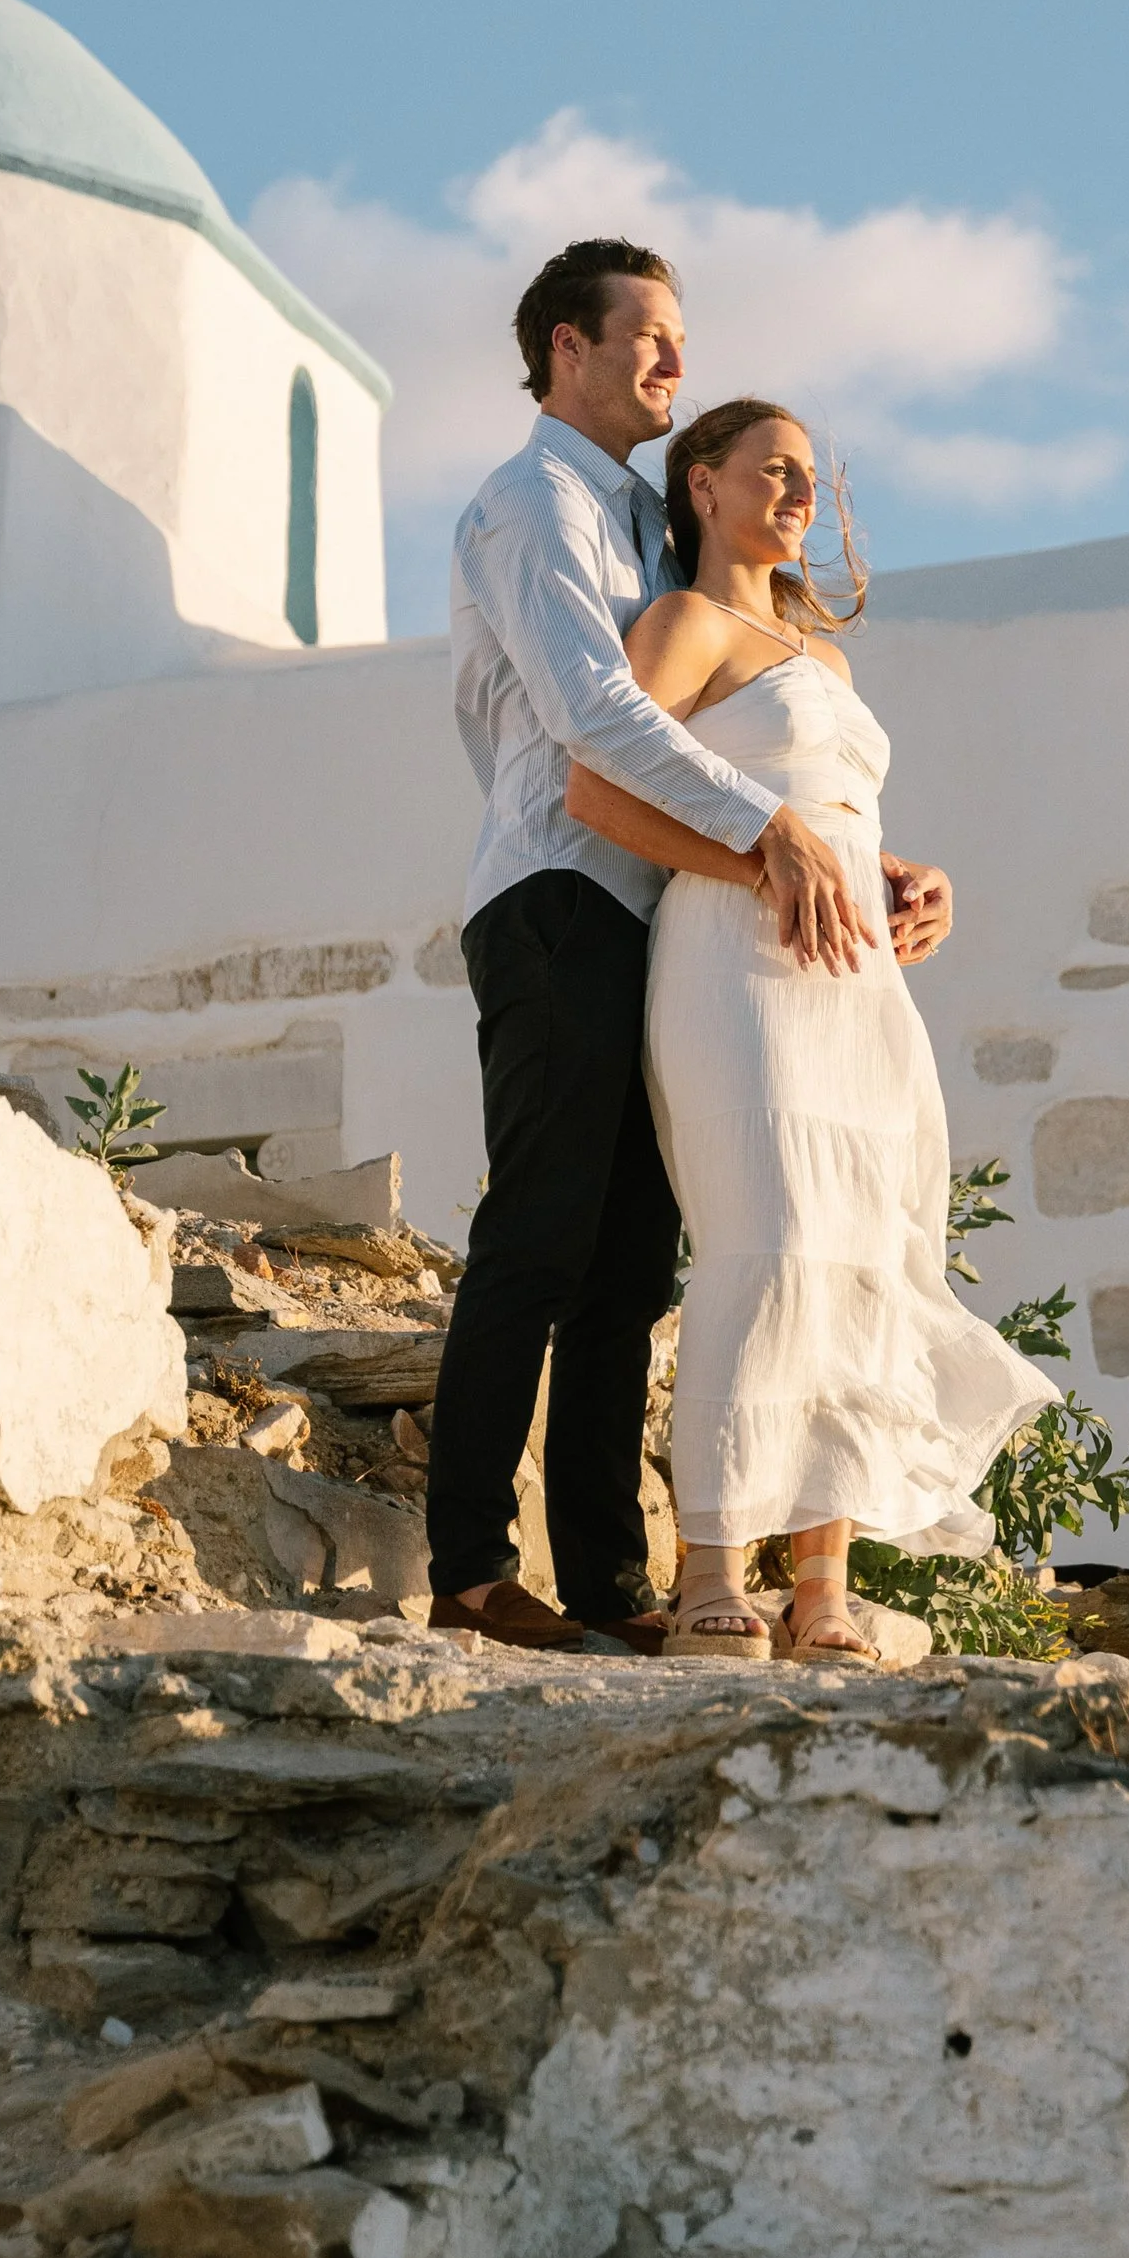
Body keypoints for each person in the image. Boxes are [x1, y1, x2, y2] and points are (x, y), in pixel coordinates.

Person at [427, 243, 949, 1654]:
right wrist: (778, 834)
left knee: (629, 1268)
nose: (673, 360)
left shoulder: (653, 537)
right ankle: (471, 1570)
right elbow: (597, 724)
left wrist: (850, 853)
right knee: (539, 1236)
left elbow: (734, 733)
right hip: (556, 898)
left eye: (679, 338)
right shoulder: (532, 505)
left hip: (662, 919)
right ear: (562, 349)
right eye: (647, 336)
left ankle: (610, 1585)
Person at [565, 399, 1057, 1659]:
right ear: (702, 487)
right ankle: (713, 1564)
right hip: (734, 963)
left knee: (856, 1249)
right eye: (771, 470)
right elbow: (597, 790)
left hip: (854, 984)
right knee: (768, 1239)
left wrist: (906, 878)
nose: (798, 493)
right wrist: (755, 870)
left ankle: (825, 1583)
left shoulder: (823, 663)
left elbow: (828, 807)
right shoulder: (683, 625)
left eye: (809, 478)